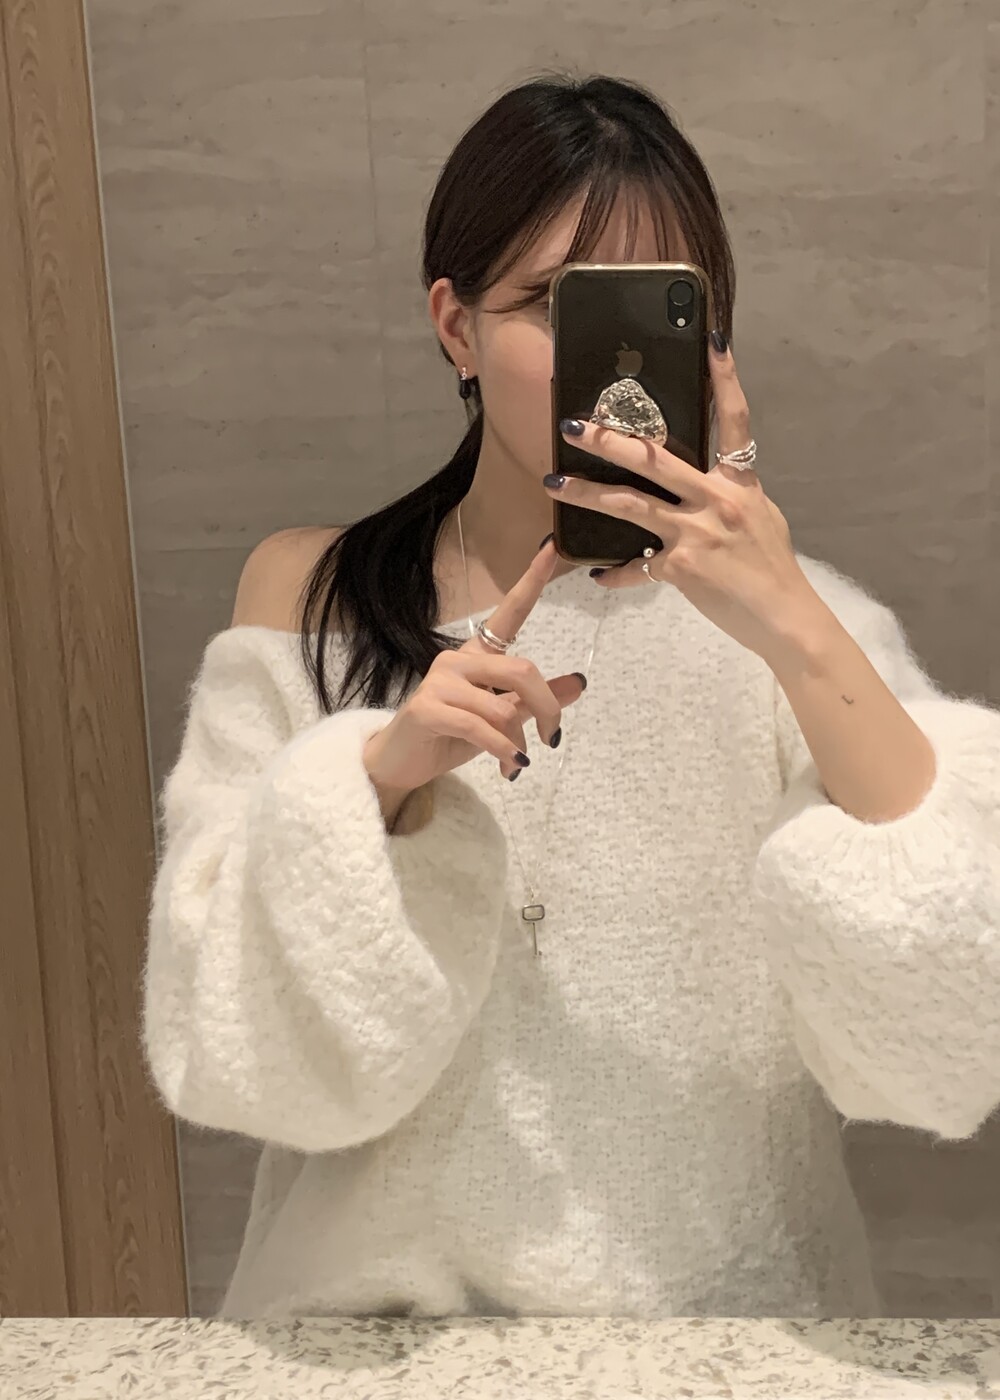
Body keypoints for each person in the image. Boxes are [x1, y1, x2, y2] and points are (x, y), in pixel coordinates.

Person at [143, 72, 1000, 1319]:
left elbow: (946, 1033)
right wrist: (378, 783)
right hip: (379, 1342)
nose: (617, 371)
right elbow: (223, 1045)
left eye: (658, 312)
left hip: (723, 1344)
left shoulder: (796, 628)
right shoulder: (312, 596)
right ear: (455, 327)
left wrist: (795, 628)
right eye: (557, 306)